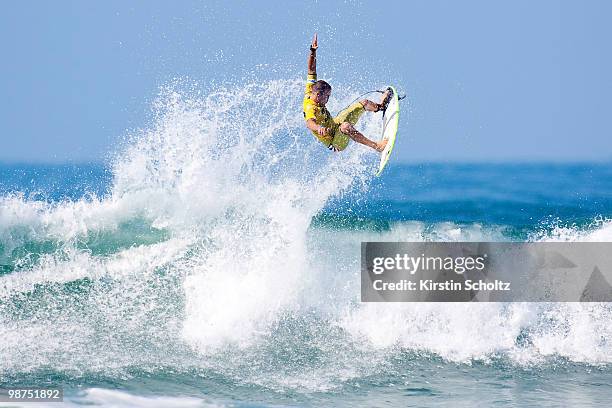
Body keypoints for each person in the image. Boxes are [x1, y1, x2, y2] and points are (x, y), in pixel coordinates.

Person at [303, 33, 391, 153]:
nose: (328, 99)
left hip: (335, 124)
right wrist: (319, 128)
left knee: (364, 103)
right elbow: (309, 123)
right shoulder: (310, 107)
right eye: (327, 96)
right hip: (335, 141)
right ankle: (378, 146)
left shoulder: (311, 89)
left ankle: (381, 107)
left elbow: (311, 70)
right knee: (345, 126)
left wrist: (313, 51)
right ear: (318, 95)